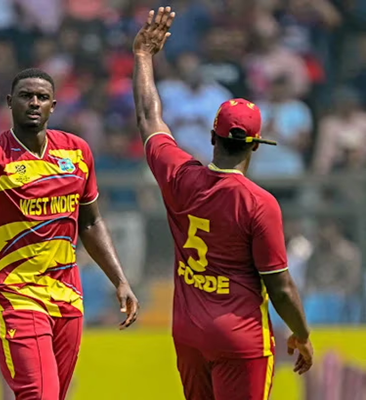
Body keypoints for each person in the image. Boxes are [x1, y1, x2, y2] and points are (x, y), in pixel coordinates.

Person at [0, 68, 139, 400]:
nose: (34, 103)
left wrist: (120, 280)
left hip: (66, 294)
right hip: (14, 295)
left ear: (53, 105)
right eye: (26, 96)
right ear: (9, 102)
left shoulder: (76, 152)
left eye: (42, 97)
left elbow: (90, 222)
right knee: (40, 394)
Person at [131, 7, 313, 400]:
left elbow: (148, 117)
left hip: (189, 334)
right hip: (239, 337)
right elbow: (280, 287)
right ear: (255, 146)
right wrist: (301, 333)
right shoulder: (259, 203)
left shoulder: (179, 175)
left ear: (213, 137)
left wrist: (143, 56)